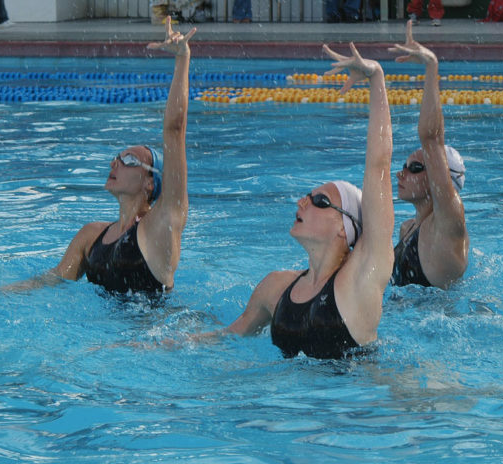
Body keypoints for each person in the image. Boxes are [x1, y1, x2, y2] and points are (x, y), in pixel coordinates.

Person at [201, 42, 394, 359]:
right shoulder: (275, 288)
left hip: (357, 404)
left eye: (319, 201)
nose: (302, 203)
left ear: (344, 228)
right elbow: (226, 337)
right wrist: (153, 346)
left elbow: (379, 165)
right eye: (306, 197)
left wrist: (376, 78)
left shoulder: (362, 278)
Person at [0, 19, 194, 295]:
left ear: (150, 183)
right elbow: (49, 282)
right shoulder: (91, 236)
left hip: (155, 335)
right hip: (102, 334)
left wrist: (182, 58)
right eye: (117, 157)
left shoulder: (163, 224)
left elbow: (175, 130)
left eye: (130, 160)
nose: (115, 163)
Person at [388, 21, 469, 289]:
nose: (401, 173)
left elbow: (432, 139)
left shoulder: (448, 225)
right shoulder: (407, 229)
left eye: (414, 168)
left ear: (440, 176)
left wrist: (431, 66)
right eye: (405, 166)